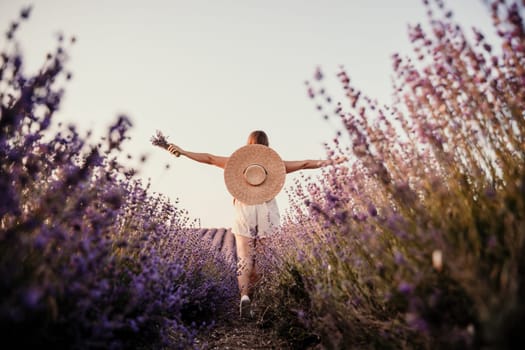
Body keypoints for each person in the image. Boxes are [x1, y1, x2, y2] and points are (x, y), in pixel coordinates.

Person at [166, 130, 344, 319]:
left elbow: (209, 158)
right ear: (267, 146)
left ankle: (244, 297)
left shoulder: (236, 163)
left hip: (244, 210)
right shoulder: (276, 165)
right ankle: (257, 300)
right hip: (267, 212)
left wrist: (184, 152)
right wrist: (332, 161)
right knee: (263, 259)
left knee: (244, 257)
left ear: (248, 145)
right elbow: (306, 164)